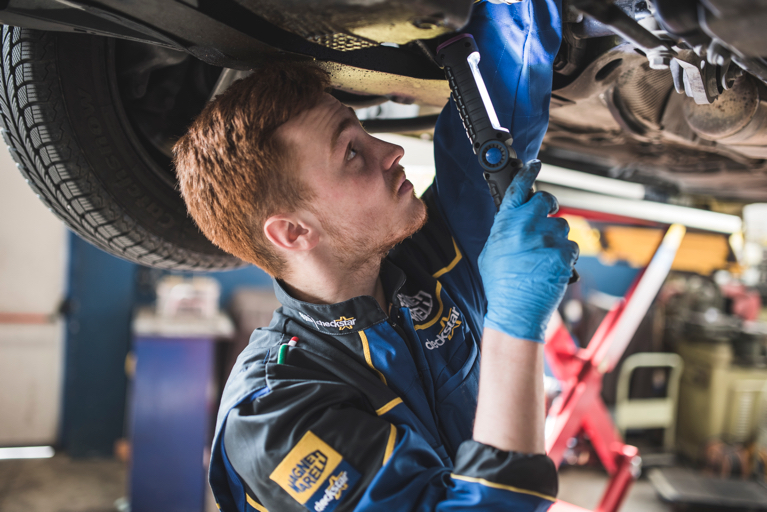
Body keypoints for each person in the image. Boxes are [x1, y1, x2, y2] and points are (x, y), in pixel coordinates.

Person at [173, 0, 576, 510]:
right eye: (352, 153)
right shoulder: (275, 417)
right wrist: (514, 327)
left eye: (362, 131)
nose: (391, 150)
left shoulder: (427, 264)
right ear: (293, 232)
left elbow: (496, 122)